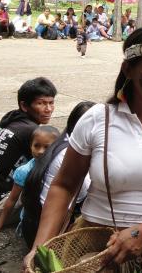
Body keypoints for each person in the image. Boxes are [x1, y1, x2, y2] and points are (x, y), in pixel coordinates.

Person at [26, 26, 142, 272]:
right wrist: (40, 248)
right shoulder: (97, 119)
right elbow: (64, 185)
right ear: (128, 69)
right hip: (95, 253)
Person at [0, 77, 57, 228]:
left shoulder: (11, 118)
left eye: (51, 102)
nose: (48, 109)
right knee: (53, 185)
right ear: (24, 106)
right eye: (41, 103)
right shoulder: (31, 131)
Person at [19, 101, 94, 247]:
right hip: (48, 236)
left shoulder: (59, 142)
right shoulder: (70, 153)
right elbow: (82, 193)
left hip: (31, 225)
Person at [0, 125, 61, 241]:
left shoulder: (60, 168)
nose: (41, 151)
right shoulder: (24, 171)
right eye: (36, 146)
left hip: (55, 217)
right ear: (30, 145)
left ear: (57, 148)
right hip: (34, 221)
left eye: (47, 147)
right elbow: (12, 199)